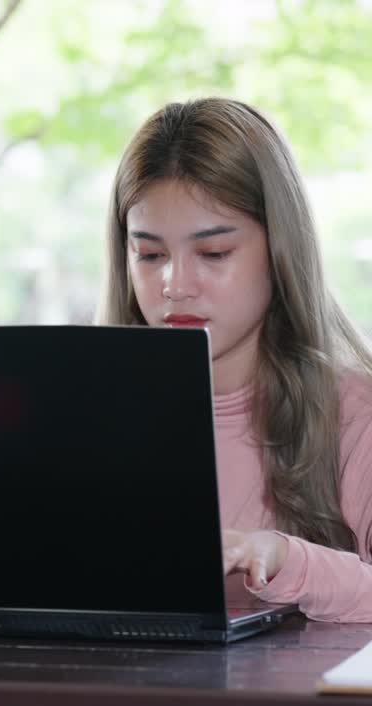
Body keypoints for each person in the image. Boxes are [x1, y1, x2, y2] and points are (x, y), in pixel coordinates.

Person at [97, 98, 372, 622]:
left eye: (214, 253)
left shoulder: (356, 414)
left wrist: (284, 556)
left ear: (280, 250)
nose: (175, 285)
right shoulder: (84, 410)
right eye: (150, 256)